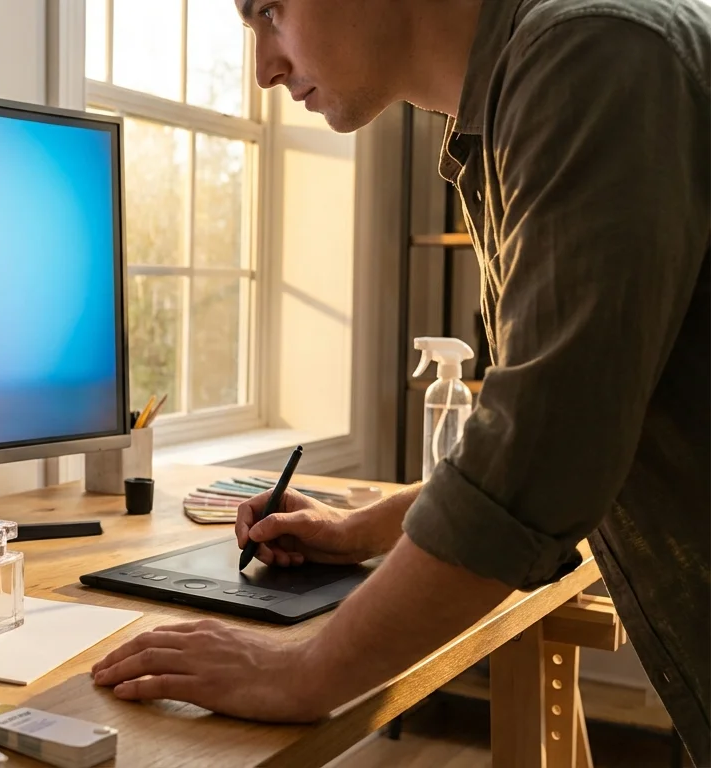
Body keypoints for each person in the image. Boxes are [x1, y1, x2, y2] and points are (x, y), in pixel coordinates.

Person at [88, 0, 710, 762]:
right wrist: (362, 531)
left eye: (270, 13)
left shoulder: (590, 55)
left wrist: (302, 672)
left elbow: (543, 459)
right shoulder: (527, 96)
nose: (263, 70)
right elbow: (574, 421)